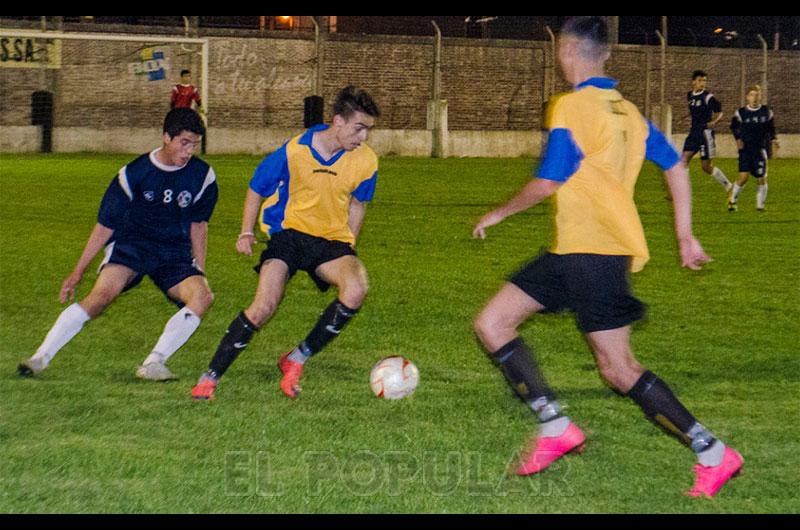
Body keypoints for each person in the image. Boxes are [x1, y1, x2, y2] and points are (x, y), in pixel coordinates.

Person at [472, 17, 742, 498]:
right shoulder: (628, 112)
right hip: (574, 251)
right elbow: (676, 168)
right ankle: (556, 428)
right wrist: (684, 235)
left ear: (568, 51)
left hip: (594, 256)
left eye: (560, 50)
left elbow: (550, 179)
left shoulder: (572, 106)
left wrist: (500, 211)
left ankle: (714, 453)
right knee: (493, 323)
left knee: (619, 370)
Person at [191, 86, 380, 401]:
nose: (363, 138)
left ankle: (297, 358)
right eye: (359, 128)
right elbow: (256, 187)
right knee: (264, 306)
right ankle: (209, 378)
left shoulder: (366, 161)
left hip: (331, 240)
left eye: (368, 131)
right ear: (338, 121)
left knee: (356, 288)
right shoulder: (295, 151)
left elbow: (359, 203)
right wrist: (245, 232)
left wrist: (349, 246)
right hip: (288, 235)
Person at [18, 108, 218, 381]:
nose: (189, 151)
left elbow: (199, 224)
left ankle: (154, 363)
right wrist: (78, 271)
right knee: (100, 298)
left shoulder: (203, 176)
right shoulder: (134, 174)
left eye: (194, 144)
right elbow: (105, 226)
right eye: (184, 142)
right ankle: (40, 357)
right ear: (166, 137)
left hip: (173, 252)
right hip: (131, 246)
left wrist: (199, 269)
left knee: (203, 296)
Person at [728, 85, 779, 212]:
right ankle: (732, 199)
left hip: (759, 150)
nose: (754, 98)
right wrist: (738, 139)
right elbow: (734, 127)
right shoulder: (741, 113)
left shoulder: (767, 112)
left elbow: (771, 128)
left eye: (757, 95)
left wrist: (774, 139)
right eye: (752, 95)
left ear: (760, 96)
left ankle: (760, 206)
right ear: (747, 97)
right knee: (743, 178)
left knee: (761, 178)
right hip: (745, 150)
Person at [682, 70, 733, 196]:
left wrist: (714, 121)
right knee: (684, 160)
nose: (703, 83)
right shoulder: (690, 95)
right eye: (700, 80)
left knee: (706, 167)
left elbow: (719, 111)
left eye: (704, 80)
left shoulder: (708, 97)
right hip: (694, 133)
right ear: (693, 82)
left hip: (705, 134)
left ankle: (727, 184)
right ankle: (684, 190)